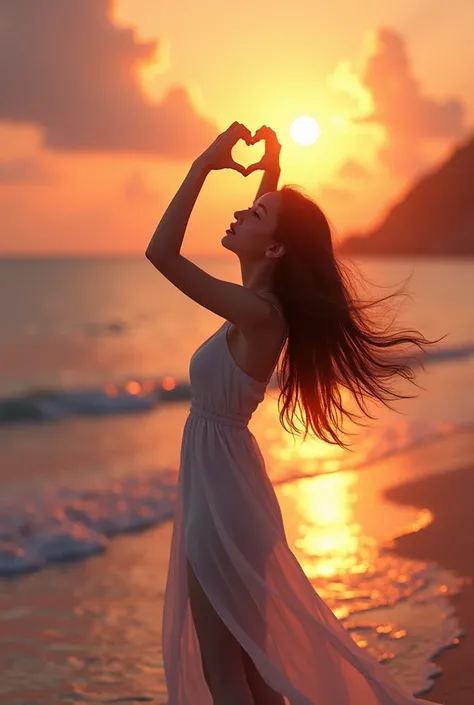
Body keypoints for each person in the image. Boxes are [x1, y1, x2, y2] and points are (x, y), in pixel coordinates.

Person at [146, 122, 439, 705]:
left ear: (275, 247)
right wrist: (272, 168)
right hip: (227, 488)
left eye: (256, 214)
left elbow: (161, 253)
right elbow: (269, 243)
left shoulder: (258, 313)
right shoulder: (257, 303)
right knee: (253, 670)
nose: (241, 212)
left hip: (223, 500)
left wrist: (206, 161)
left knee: (224, 672)